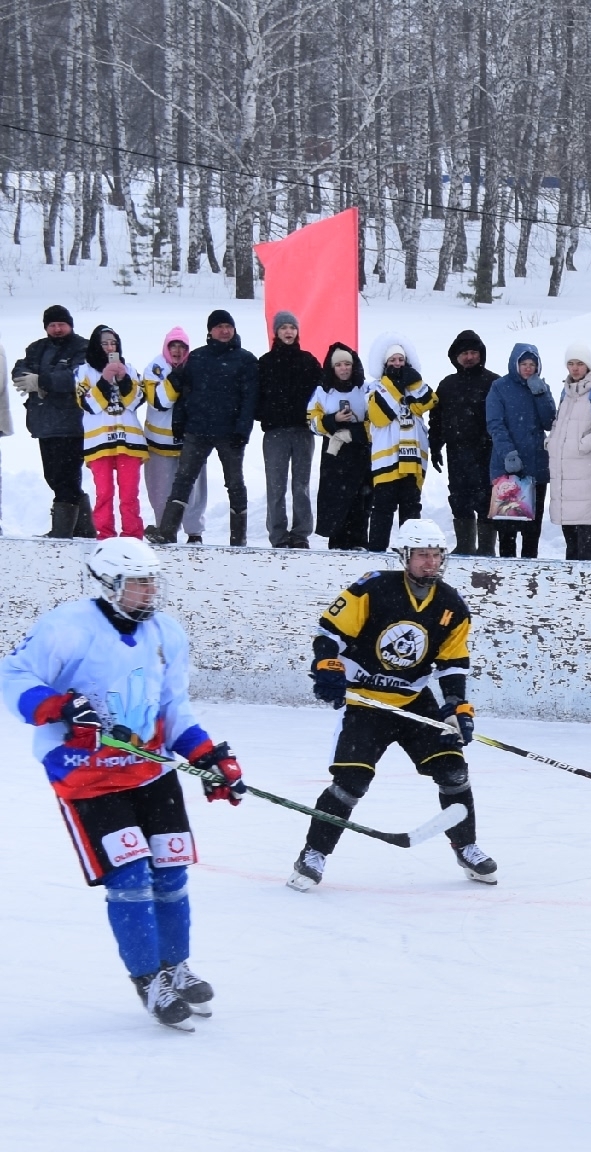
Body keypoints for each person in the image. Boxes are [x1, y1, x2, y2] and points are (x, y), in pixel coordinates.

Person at [0, 537, 246, 1029]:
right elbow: (13, 674)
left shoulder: (166, 633)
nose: (148, 590)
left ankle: (175, 966)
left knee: (172, 872)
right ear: (111, 586)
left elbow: (173, 706)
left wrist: (206, 754)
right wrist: (59, 706)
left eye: (152, 580)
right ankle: (148, 979)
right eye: (138, 583)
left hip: (150, 768)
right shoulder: (67, 627)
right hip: (86, 773)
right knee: (130, 877)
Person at [290, 517, 494, 890]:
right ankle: (313, 854)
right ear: (404, 556)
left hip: (414, 701)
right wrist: (328, 667)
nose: (429, 562)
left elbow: (452, 663)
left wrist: (455, 707)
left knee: (454, 772)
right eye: (421, 555)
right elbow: (329, 633)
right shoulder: (373, 588)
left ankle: (468, 847)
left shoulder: (451, 605)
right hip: (365, 702)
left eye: (435, 555)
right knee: (350, 782)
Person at [147, 309, 257, 548]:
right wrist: (179, 424)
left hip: (230, 433)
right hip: (197, 431)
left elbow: (250, 399)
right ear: (210, 331)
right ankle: (167, 531)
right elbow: (185, 396)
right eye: (219, 326)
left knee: (235, 483)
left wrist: (243, 430)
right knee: (183, 479)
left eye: (228, 326)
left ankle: (239, 537)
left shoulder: (246, 359)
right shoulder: (196, 358)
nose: (224, 331)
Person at [15, 305, 93, 538]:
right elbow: (20, 370)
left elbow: (74, 378)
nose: (57, 329)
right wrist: (32, 378)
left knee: (66, 477)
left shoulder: (83, 347)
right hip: (43, 424)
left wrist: (42, 381)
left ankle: (61, 532)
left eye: (61, 324)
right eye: (52, 325)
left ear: (70, 324)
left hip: (71, 424)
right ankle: (84, 528)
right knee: (53, 476)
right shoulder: (36, 348)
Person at [360, 336, 437, 550]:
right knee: (383, 508)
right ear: (385, 363)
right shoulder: (374, 388)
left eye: (400, 360)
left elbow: (429, 402)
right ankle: (376, 551)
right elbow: (379, 416)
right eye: (392, 360)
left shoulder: (413, 385)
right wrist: (395, 386)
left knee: (411, 510)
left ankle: (411, 552)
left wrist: (412, 381)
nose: (397, 364)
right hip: (387, 460)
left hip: (412, 460)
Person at [75, 327, 152, 538]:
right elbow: (88, 404)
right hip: (99, 443)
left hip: (129, 442)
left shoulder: (129, 368)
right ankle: (105, 535)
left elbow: (137, 401)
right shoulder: (84, 371)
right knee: (104, 493)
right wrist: (105, 381)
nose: (110, 347)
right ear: (95, 346)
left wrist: (124, 379)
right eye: (105, 343)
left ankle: (133, 535)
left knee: (129, 495)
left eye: (113, 343)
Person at [256, 310, 323, 547]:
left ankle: (300, 534)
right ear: (276, 331)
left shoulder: (308, 360)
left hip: (303, 432)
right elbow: (255, 396)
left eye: (292, 327)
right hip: (275, 433)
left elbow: (322, 392)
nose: (288, 331)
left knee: (301, 485)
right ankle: (278, 534)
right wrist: (264, 414)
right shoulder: (265, 362)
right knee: (275, 484)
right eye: (284, 327)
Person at [484, 342, 556, 558]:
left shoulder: (541, 387)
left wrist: (541, 395)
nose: (528, 368)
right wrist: (508, 453)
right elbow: (495, 424)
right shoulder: (499, 387)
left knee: (532, 528)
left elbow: (550, 422)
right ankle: (508, 574)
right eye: (523, 363)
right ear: (514, 364)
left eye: (532, 364)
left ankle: (529, 575)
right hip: (507, 469)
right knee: (508, 528)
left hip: (536, 468)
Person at [547, 345, 591, 563]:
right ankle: (572, 589)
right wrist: (552, 443)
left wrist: (578, 446)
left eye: (579, 364)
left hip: (586, 474)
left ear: (587, 365)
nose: (575, 369)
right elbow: (559, 425)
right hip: (567, 477)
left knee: (589, 542)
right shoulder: (566, 393)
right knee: (572, 543)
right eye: (571, 364)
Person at [430, 331, 496, 556]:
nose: (469, 357)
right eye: (464, 353)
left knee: (486, 500)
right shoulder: (447, 385)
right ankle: (465, 545)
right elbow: (436, 419)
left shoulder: (493, 382)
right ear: (455, 357)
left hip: (487, 453)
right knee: (459, 498)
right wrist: (435, 445)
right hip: (457, 453)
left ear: (481, 354)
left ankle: (487, 548)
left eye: (473, 352)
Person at [140, 329, 207, 543]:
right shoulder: (155, 368)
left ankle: (194, 532)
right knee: (160, 490)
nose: (177, 351)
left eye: (182, 347)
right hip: (159, 442)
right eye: (173, 346)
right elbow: (159, 401)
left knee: (194, 491)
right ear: (166, 347)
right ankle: (165, 529)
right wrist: (175, 380)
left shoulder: (196, 367)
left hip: (190, 440)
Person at [307, 344, 373, 551]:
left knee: (360, 497)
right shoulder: (322, 391)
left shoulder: (366, 389)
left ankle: (359, 541)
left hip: (360, 448)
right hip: (334, 450)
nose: (344, 369)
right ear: (332, 367)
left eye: (347, 364)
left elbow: (377, 422)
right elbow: (311, 421)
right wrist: (332, 420)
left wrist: (355, 432)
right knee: (335, 497)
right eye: (339, 365)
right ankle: (336, 541)